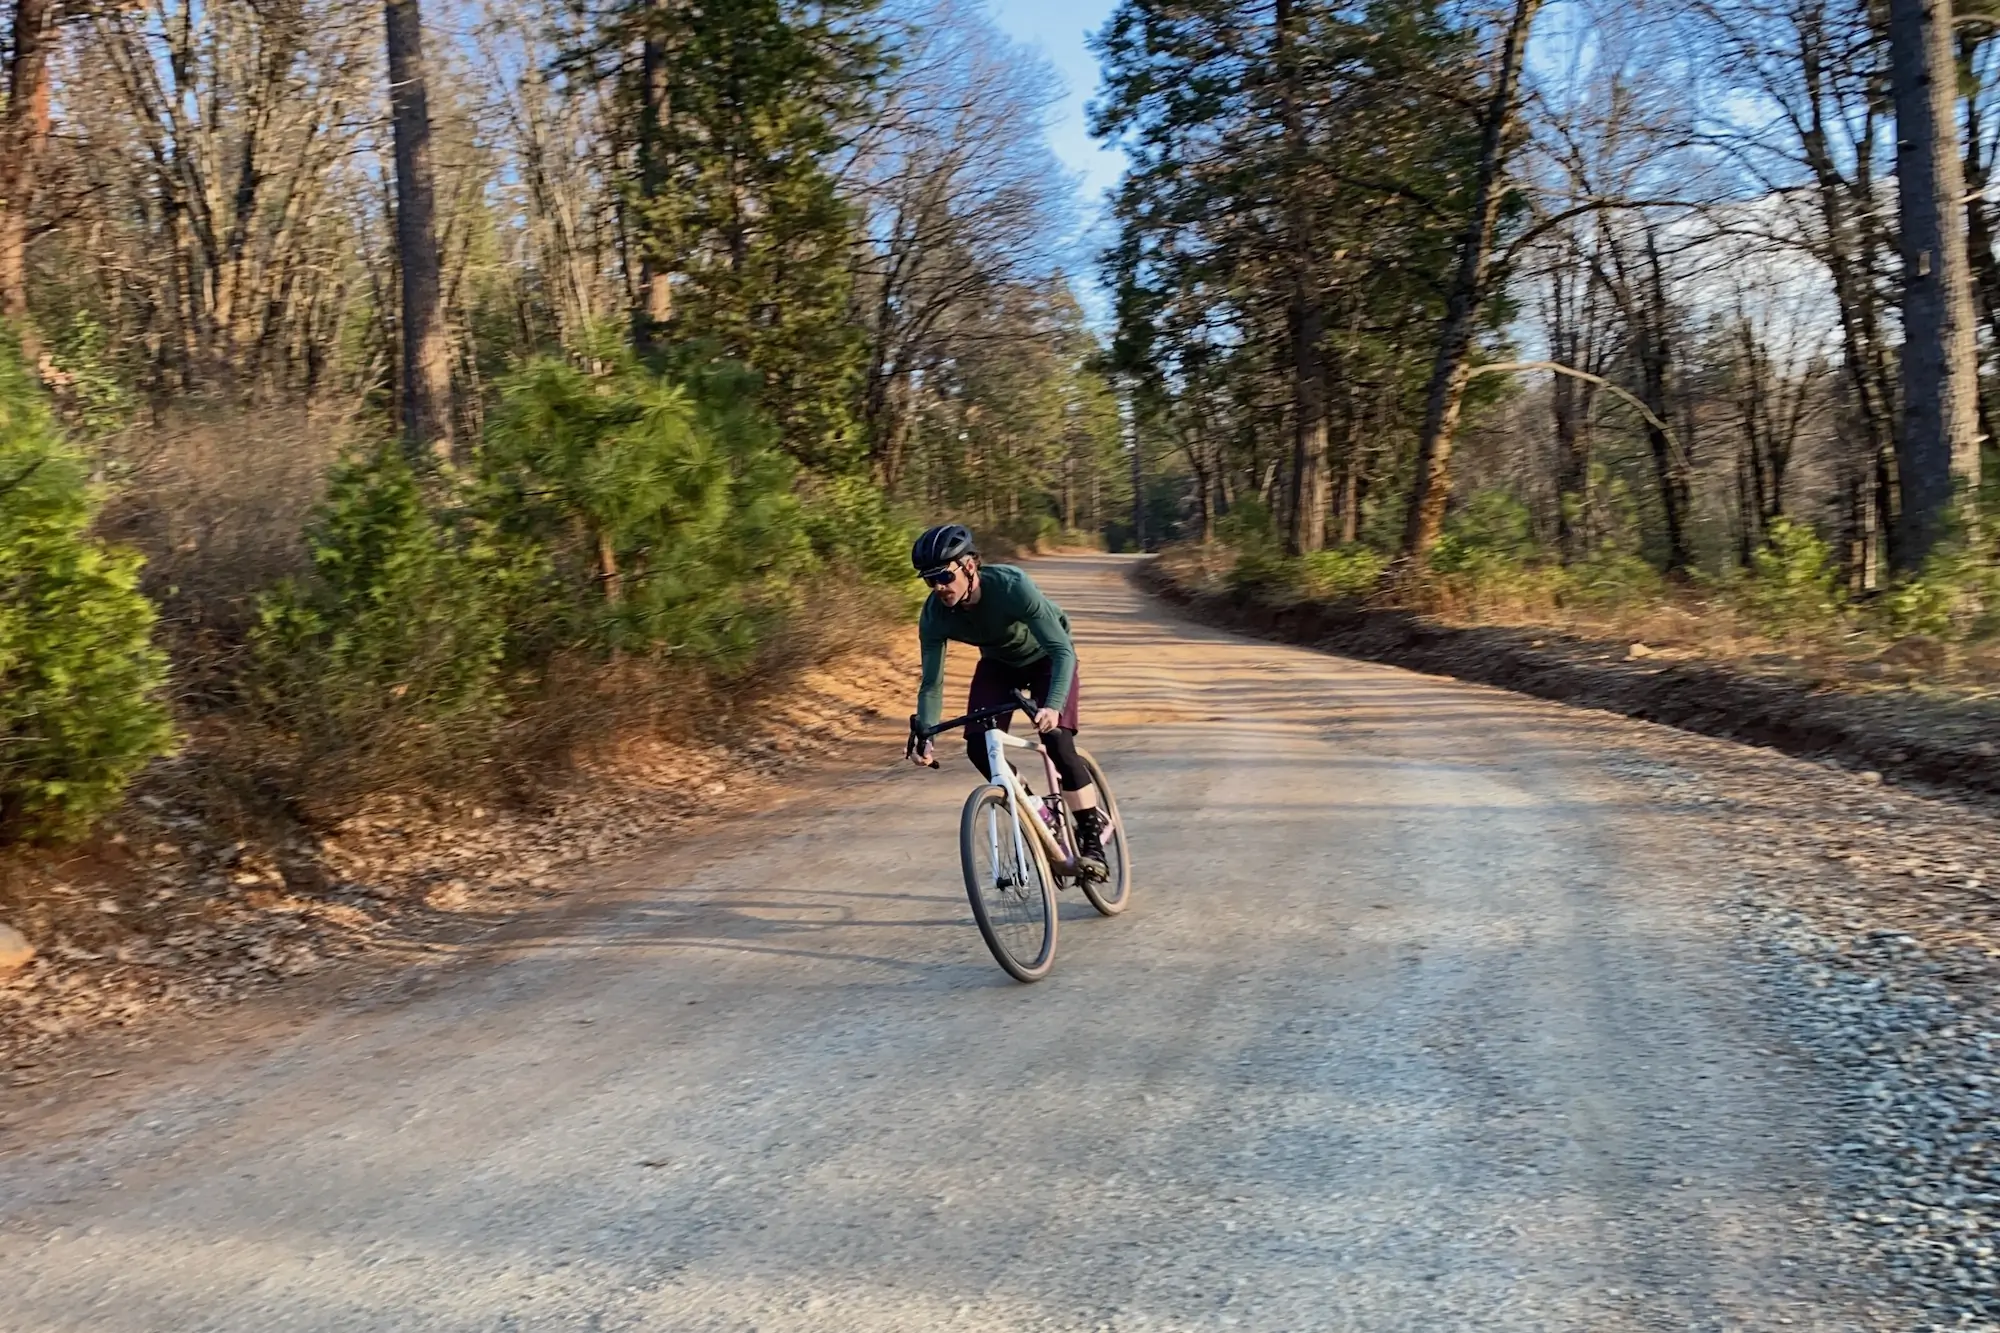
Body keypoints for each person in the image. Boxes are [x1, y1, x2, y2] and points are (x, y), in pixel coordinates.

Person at [906, 523, 1109, 869]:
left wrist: (1053, 706)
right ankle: (1037, 810)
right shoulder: (934, 615)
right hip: (999, 665)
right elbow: (932, 684)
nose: (939, 587)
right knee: (978, 747)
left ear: (969, 567)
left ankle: (1092, 842)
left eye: (944, 576)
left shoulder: (1012, 587)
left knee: (1057, 740)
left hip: (1048, 657)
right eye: (929, 580)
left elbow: (1061, 650)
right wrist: (925, 732)